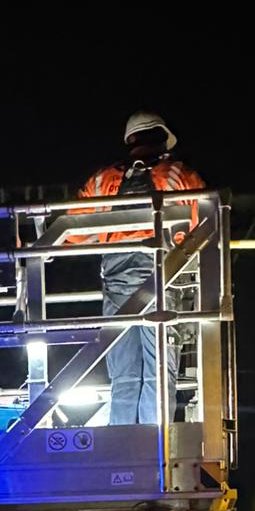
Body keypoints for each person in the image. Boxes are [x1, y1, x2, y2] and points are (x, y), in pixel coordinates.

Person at [75, 112, 205, 425]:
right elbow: (200, 227)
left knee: (124, 375)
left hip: (116, 285)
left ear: (130, 141)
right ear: (162, 138)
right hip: (162, 282)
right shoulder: (179, 174)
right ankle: (154, 446)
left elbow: (74, 231)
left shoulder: (102, 180)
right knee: (159, 373)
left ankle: (121, 442)